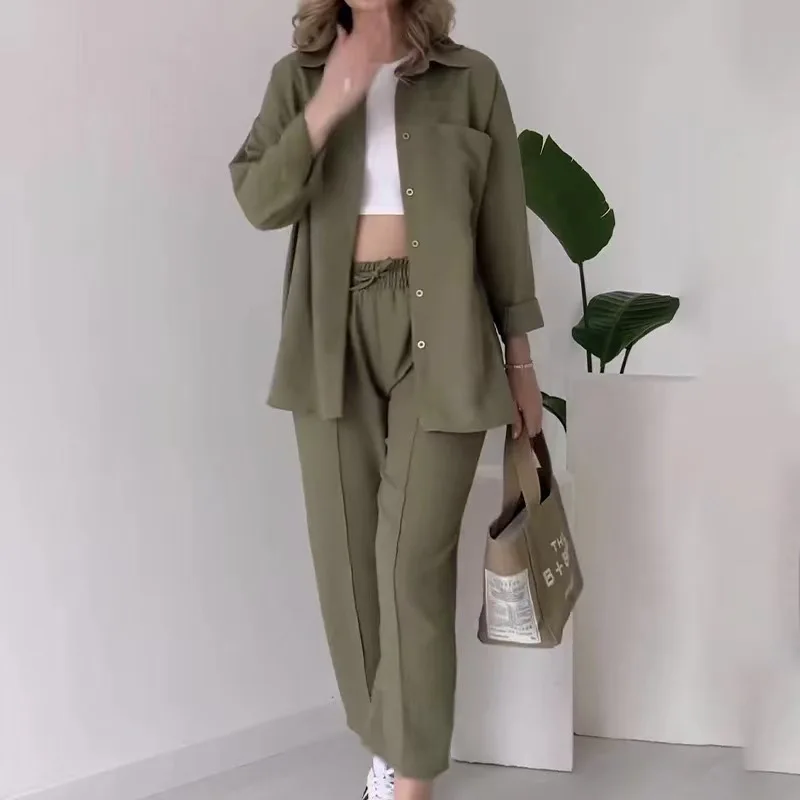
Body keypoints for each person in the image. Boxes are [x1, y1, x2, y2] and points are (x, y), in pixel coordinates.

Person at [229, 1, 544, 798]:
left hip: (446, 333)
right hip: (329, 338)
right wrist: (334, 97)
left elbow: (502, 225)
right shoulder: (297, 79)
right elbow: (259, 200)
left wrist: (520, 359)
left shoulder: (471, 79)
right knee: (348, 570)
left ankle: (410, 781)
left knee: (411, 565)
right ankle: (390, 746)